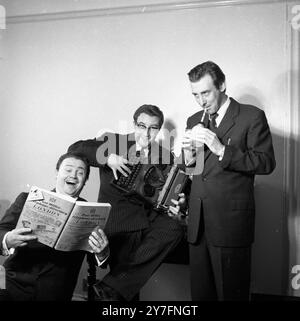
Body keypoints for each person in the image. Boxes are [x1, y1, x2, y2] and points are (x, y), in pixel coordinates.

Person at [68, 104, 185, 301]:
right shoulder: (113, 142)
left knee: (174, 228)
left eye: (153, 128)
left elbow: (169, 192)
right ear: (134, 125)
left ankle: (110, 288)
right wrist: (108, 158)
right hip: (119, 223)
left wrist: (178, 201)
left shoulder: (166, 155)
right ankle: (113, 290)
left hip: (148, 220)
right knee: (128, 292)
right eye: (142, 125)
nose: (146, 133)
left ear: (159, 129)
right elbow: (75, 149)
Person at [182, 61, 276, 301]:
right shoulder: (193, 119)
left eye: (205, 93)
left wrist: (221, 149)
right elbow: (195, 170)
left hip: (230, 224)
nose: (200, 101)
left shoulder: (251, 116)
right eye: (195, 94)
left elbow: (266, 162)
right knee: (200, 296)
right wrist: (189, 157)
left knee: (231, 296)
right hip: (198, 224)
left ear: (222, 85)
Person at [0, 151, 109, 301]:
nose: (73, 175)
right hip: (10, 285)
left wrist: (102, 252)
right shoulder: (27, 198)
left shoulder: (93, 213)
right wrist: (8, 239)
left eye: (80, 173)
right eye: (68, 170)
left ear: (84, 181)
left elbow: (99, 260)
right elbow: (1, 231)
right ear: (57, 174)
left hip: (56, 292)